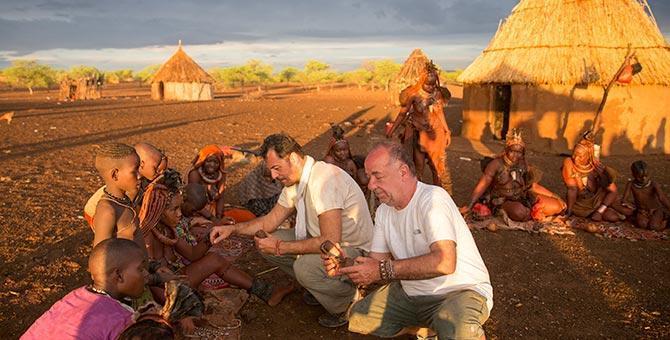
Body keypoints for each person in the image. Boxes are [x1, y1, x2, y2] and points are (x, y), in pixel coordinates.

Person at [328, 142, 493, 339]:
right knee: (359, 318)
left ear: (403, 172)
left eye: (377, 176)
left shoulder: (432, 199)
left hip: (459, 291)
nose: (370, 185)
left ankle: (454, 327)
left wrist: (380, 269)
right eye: (369, 176)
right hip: (412, 293)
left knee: (459, 332)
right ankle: (430, 327)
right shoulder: (383, 212)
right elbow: (375, 266)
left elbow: (445, 262)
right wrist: (345, 265)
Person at [210, 133, 374, 327]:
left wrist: (280, 246)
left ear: (294, 158)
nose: (273, 176)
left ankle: (347, 303)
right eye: (271, 170)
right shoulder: (296, 182)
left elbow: (330, 241)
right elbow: (269, 222)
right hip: (326, 242)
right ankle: (322, 288)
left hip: (352, 250)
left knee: (303, 267)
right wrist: (233, 229)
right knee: (266, 241)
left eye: (276, 168)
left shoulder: (324, 180)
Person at [139, 169, 291, 306]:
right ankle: (266, 293)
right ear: (158, 210)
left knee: (214, 259)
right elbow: (152, 279)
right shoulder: (147, 234)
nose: (179, 213)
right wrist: (175, 304)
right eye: (174, 209)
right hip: (165, 290)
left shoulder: (168, 227)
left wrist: (212, 231)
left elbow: (191, 254)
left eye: (179, 207)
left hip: (176, 277)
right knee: (214, 260)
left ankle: (266, 292)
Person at [22, 238, 147, 340]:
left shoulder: (76, 296)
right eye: (140, 269)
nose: (146, 274)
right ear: (118, 275)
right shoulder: (121, 320)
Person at [460, 131, 565, 221]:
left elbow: (533, 186)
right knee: (520, 212)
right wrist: (470, 204)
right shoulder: (496, 164)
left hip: (523, 198)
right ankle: (521, 214)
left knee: (558, 206)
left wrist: (556, 196)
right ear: (506, 150)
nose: (515, 155)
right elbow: (483, 184)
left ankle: (530, 213)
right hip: (502, 201)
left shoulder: (523, 164)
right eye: (512, 151)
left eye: (519, 152)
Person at [386, 61, 452, 192]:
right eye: (428, 84)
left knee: (438, 167)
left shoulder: (437, 94)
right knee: (418, 167)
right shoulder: (413, 94)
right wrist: (393, 129)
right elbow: (402, 113)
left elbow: (439, 112)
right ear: (421, 81)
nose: (430, 87)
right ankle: (418, 195)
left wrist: (447, 131)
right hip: (419, 132)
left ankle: (440, 194)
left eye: (433, 84)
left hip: (435, 132)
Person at [84, 142, 166, 228]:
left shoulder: (134, 180)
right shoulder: (131, 186)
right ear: (142, 164)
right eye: (156, 168)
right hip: (93, 212)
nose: (161, 172)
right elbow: (130, 209)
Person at [562, 133, 631, 224]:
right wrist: (569, 211)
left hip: (598, 200)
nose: (576, 158)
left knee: (623, 213)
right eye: (574, 154)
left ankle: (605, 208)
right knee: (612, 217)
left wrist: (599, 211)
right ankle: (607, 208)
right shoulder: (569, 163)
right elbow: (572, 189)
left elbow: (613, 190)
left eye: (580, 156)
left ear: (588, 156)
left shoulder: (596, 167)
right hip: (580, 203)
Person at [90, 143, 144, 249]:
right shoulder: (108, 211)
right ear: (115, 175)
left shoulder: (125, 200)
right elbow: (101, 257)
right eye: (134, 171)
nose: (140, 175)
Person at [622, 160, 669, 230]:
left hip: (656, 210)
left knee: (653, 226)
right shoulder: (631, 184)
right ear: (633, 175)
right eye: (640, 177)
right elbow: (624, 200)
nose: (644, 179)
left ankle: (666, 221)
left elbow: (662, 198)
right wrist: (637, 209)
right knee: (643, 225)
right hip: (642, 211)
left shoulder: (653, 184)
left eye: (646, 176)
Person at [187, 144, 229, 219]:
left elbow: (221, 197)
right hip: (196, 210)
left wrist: (219, 216)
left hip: (213, 209)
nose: (212, 165)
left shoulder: (221, 175)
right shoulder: (195, 174)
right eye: (209, 161)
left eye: (216, 162)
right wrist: (212, 219)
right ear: (203, 161)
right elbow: (193, 200)